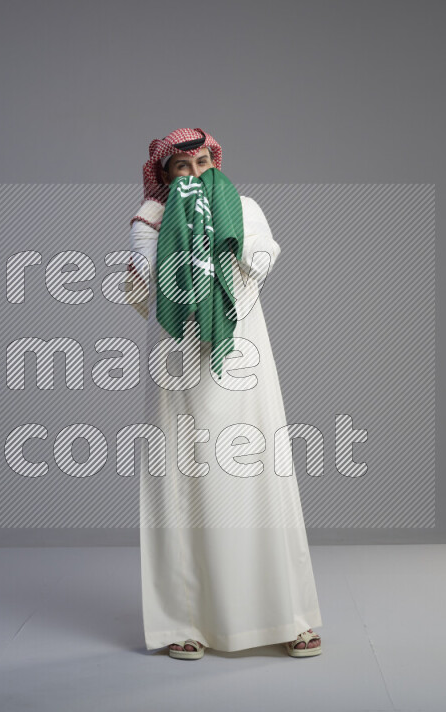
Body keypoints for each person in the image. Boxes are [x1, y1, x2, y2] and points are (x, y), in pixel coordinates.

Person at [127, 128, 323, 660]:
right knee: (180, 481)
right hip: (178, 355)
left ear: (215, 160)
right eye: (181, 170)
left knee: (259, 474)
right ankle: (181, 624)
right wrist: (178, 243)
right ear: (165, 176)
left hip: (239, 350)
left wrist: (231, 248)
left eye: (201, 164)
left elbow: (259, 255)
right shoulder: (152, 218)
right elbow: (147, 275)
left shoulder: (244, 205)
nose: (193, 176)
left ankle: (289, 615)